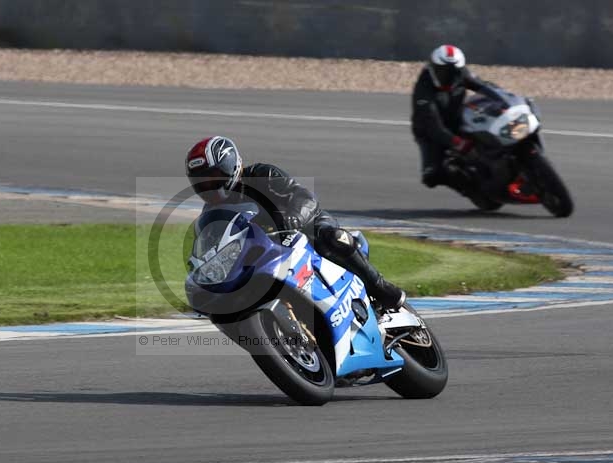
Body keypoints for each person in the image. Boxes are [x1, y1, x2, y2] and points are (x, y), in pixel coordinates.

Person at [185, 136, 405, 310]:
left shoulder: (262, 175)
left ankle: (379, 286)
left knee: (333, 238)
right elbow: (210, 249)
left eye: (212, 179)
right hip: (266, 254)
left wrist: (294, 216)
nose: (208, 187)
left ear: (230, 166)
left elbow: (303, 197)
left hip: (305, 228)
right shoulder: (213, 213)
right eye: (201, 183)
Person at [412, 44, 507, 189]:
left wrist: (504, 99)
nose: (448, 77)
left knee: (489, 131)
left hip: (457, 118)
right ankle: (468, 188)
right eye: (443, 72)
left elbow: (483, 86)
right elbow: (434, 126)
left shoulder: (461, 74)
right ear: (433, 68)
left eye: (453, 72)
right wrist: (458, 143)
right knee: (431, 176)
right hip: (429, 131)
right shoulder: (423, 90)